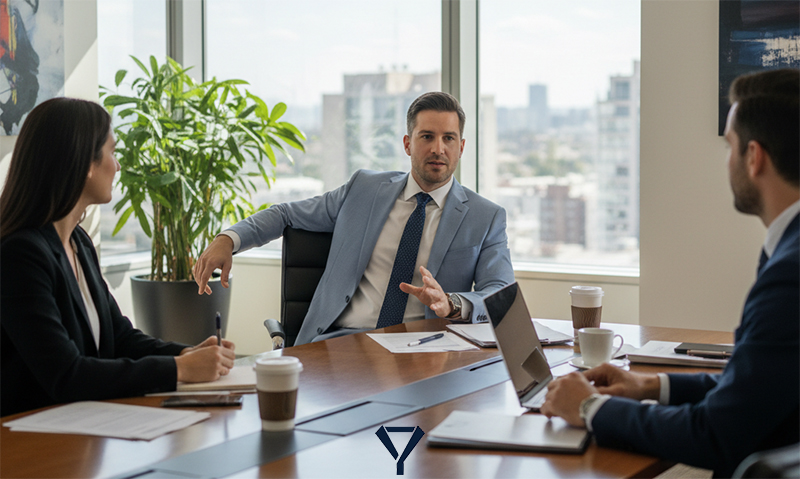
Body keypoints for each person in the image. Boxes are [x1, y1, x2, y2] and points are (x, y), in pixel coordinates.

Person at [540, 68, 799, 477]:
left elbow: (714, 434)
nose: (726, 161)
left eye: (729, 146)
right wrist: (652, 386)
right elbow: (758, 387)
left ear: (754, 157)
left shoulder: (790, 276)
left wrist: (590, 407)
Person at [194, 92, 514, 345]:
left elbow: (501, 294)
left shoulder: (485, 217)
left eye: (448, 138)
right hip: (341, 342)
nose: (438, 149)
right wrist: (228, 239)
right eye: (427, 136)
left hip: (423, 348)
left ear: (461, 147)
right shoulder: (363, 189)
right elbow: (286, 213)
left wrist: (452, 303)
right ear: (407, 143)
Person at [0, 98, 236, 417]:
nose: (118, 166)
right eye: (112, 152)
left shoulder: (79, 243)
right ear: (85, 163)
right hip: (32, 435)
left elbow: (120, 338)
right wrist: (179, 369)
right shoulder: (19, 255)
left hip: (83, 425)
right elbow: (66, 375)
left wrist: (188, 354)